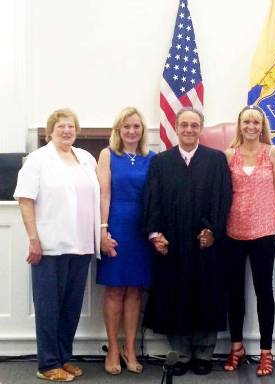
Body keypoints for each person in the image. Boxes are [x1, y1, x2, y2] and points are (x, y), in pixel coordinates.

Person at [142, 107, 232, 376]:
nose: (189, 130)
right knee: (175, 294)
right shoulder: (161, 162)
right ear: (176, 127)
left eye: (194, 125)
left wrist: (213, 231)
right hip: (174, 241)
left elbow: (223, 197)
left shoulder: (216, 160)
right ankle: (180, 354)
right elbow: (152, 200)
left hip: (205, 241)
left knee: (207, 293)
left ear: (200, 128)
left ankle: (204, 353)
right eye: (184, 125)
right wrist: (155, 234)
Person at [14, 108, 100, 382]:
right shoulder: (38, 160)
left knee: (71, 307)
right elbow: (25, 200)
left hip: (81, 244)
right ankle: (47, 363)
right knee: (49, 307)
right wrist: (33, 239)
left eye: (71, 126)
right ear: (50, 131)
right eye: (61, 126)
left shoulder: (85, 158)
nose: (66, 131)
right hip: (50, 246)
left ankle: (64, 357)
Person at [223, 106, 275, 377]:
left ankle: (266, 351)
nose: (251, 126)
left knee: (264, 292)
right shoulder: (228, 155)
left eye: (256, 122)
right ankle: (236, 346)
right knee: (234, 292)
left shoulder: (272, 153)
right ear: (240, 125)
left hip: (263, 231)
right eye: (247, 121)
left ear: (262, 126)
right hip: (232, 231)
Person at [96, 107, 155, 375]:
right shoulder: (108, 155)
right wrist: (103, 231)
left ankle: (130, 349)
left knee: (135, 291)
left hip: (141, 230)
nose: (132, 131)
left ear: (142, 131)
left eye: (136, 126)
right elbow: (104, 195)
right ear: (118, 130)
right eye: (126, 126)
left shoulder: (152, 158)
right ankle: (113, 347)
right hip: (116, 225)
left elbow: (155, 199)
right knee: (115, 289)